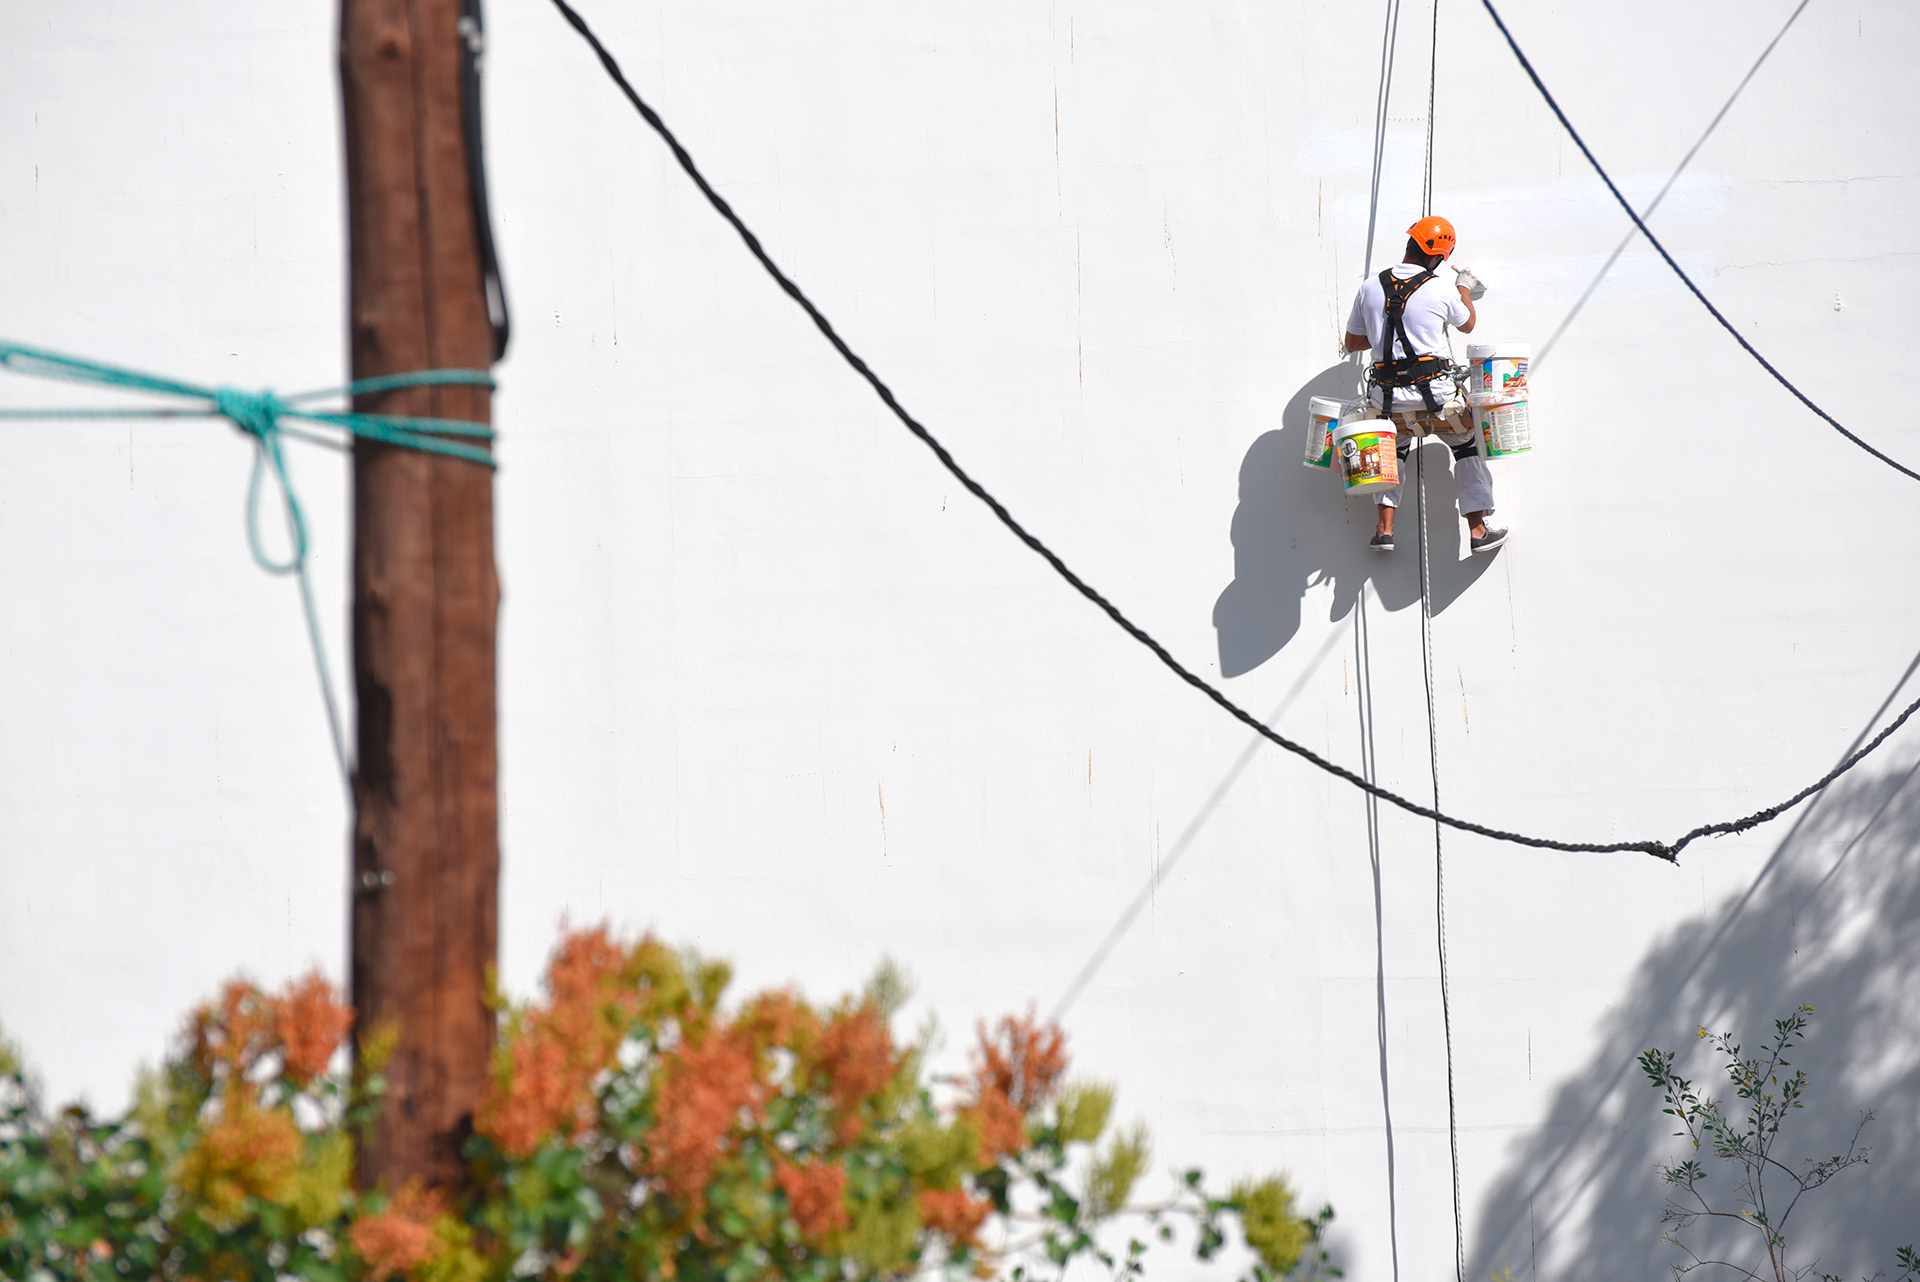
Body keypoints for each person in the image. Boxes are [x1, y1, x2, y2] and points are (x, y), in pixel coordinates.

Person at [1342, 216, 1507, 554]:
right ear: (1437, 257)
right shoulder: (1441, 287)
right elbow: (1468, 324)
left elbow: (1353, 341)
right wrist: (1464, 286)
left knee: (1391, 451)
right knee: (1466, 445)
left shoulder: (1369, 287)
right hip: (1438, 398)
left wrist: (1381, 333)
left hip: (1388, 401)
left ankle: (1383, 531)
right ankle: (1477, 531)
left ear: (1410, 244)